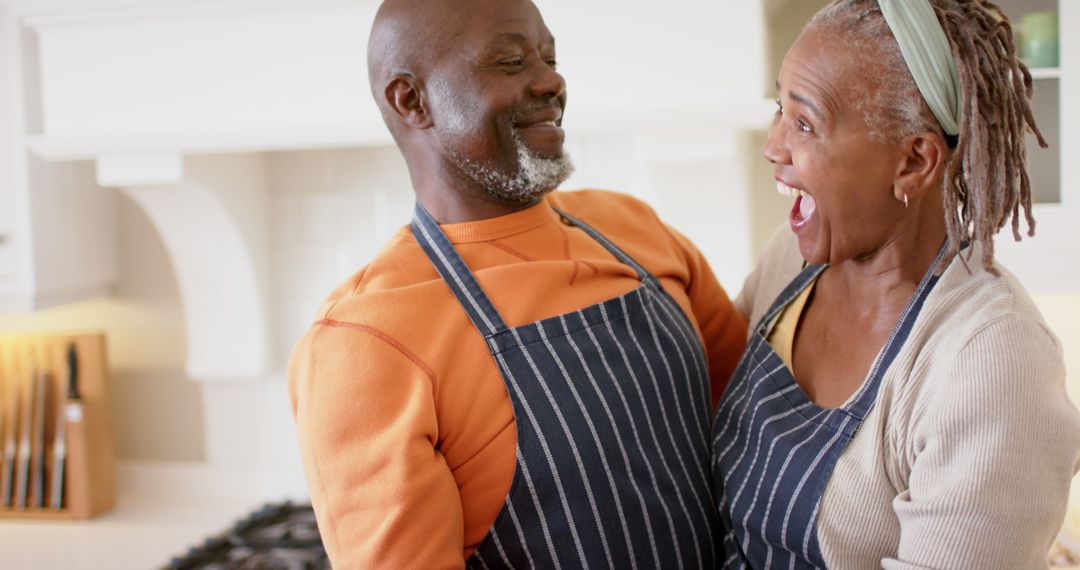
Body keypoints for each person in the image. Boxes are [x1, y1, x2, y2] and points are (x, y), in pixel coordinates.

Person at [287, 0, 747, 567]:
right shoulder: (364, 343)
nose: (552, 80)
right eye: (510, 62)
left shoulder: (635, 228)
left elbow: (751, 422)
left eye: (549, 57)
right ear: (412, 100)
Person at [712, 0, 1080, 568]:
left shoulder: (992, 362)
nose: (773, 146)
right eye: (777, 108)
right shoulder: (793, 259)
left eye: (804, 123)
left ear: (915, 162)